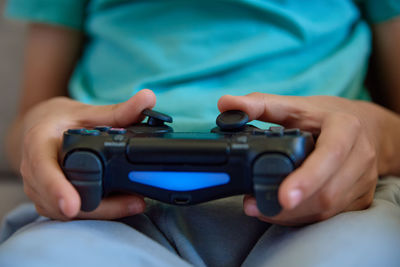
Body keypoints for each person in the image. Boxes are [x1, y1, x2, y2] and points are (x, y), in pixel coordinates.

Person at [1, 0, 400, 266]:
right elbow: (26, 124)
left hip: (325, 197)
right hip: (108, 204)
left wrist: (367, 135)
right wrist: (50, 130)